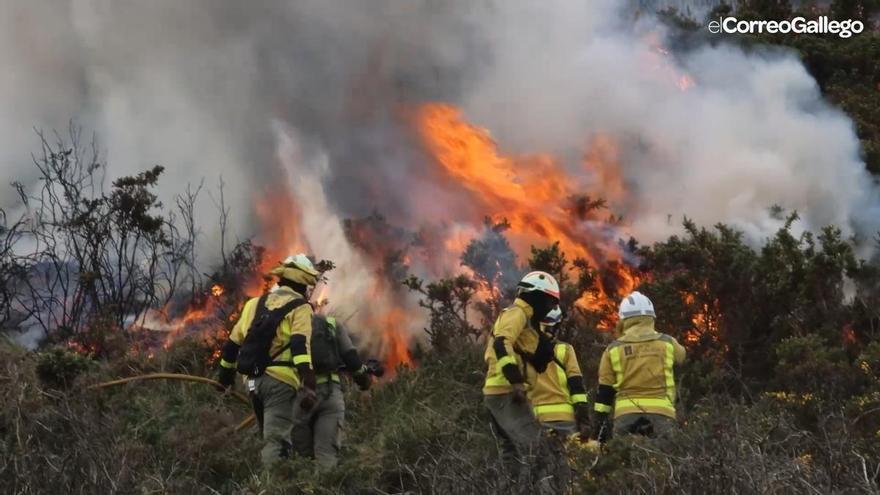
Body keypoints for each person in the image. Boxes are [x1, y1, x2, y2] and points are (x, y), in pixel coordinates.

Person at [217, 254, 320, 466]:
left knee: (267, 436)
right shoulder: (300, 307)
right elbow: (301, 346)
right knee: (276, 441)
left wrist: (224, 379)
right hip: (280, 383)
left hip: (252, 383)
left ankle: (260, 479)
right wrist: (309, 385)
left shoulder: (254, 304)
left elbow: (231, 346)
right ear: (303, 284)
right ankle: (273, 483)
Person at [482, 270, 562, 489]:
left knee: (512, 456)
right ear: (536, 296)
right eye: (549, 301)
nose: (550, 307)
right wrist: (516, 381)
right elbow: (501, 343)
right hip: (506, 391)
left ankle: (511, 489)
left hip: (499, 392)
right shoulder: (517, 313)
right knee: (538, 451)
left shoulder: (526, 319)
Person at [592, 291, 686, 443]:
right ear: (651, 318)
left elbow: (604, 392)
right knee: (665, 462)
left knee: (623, 461)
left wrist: (599, 427)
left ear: (623, 321)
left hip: (626, 416)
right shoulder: (668, 343)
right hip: (662, 414)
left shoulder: (612, 350)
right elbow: (682, 359)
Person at [291, 314, 375, 468]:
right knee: (326, 454)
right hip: (331, 395)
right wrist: (364, 381)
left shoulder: (289, 324)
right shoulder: (331, 324)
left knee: (300, 458)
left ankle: (301, 485)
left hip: (301, 397)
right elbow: (352, 359)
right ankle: (325, 486)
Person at [526, 307, 590, 438]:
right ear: (554, 326)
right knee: (569, 456)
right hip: (565, 419)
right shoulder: (565, 350)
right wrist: (583, 420)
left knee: (538, 457)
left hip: (535, 418)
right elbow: (576, 386)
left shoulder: (523, 350)